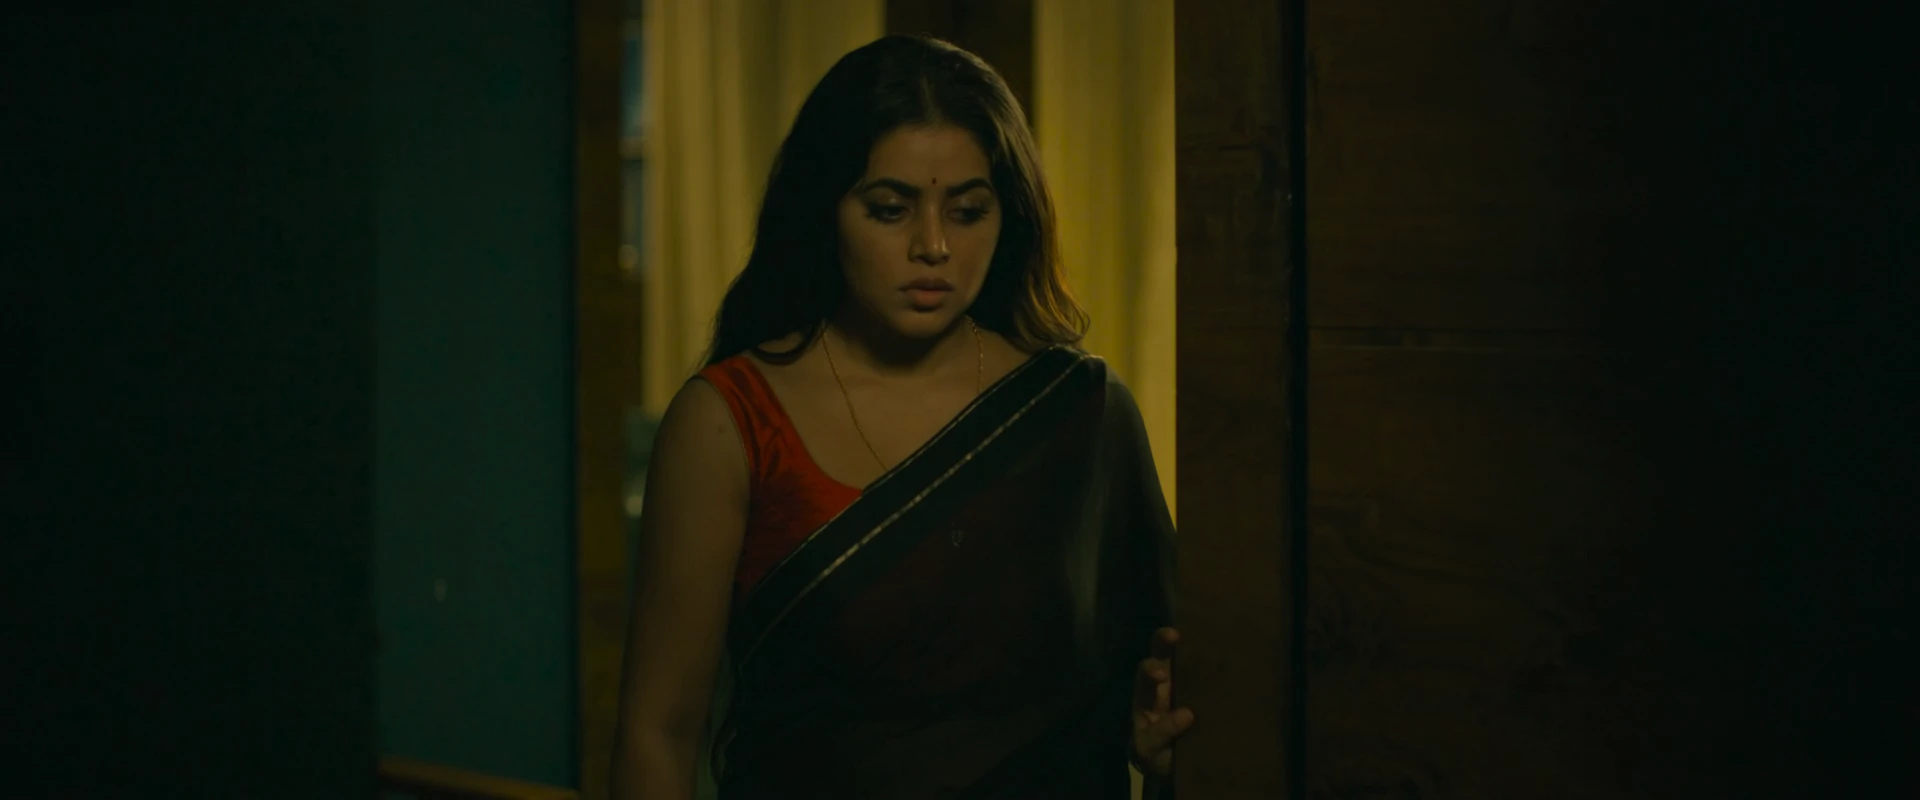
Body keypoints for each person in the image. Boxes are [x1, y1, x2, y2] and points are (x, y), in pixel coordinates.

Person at [611, 34, 1190, 799]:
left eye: (968, 211)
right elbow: (657, 733)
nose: (934, 246)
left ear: (1009, 216)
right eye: (890, 210)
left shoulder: (1079, 411)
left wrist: (1159, 738)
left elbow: (1167, 685)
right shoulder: (732, 421)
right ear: (825, 210)